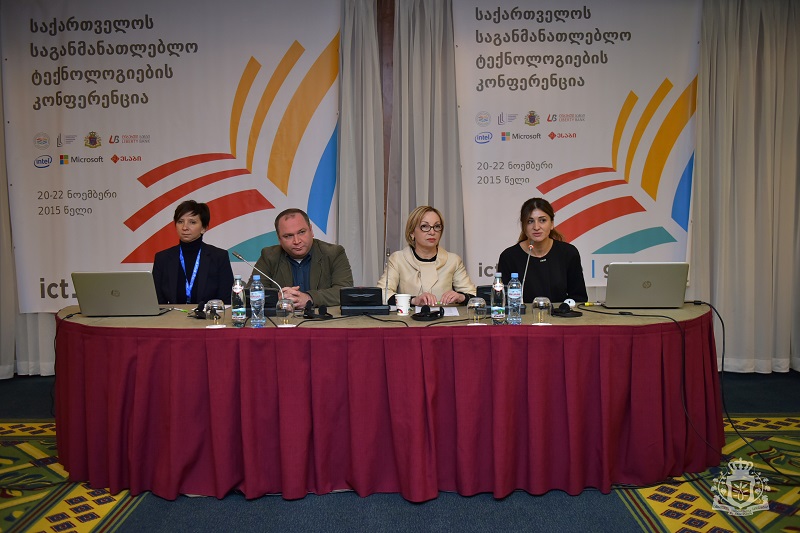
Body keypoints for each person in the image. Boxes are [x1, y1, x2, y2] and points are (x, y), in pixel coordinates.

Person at [251, 208, 353, 308]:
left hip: (321, 317)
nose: (297, 241)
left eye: (301, 232)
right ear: (279, 239)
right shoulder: (269, 256)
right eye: (288, 236)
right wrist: (277, 298)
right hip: (284, 318)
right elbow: (251, 294)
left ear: (311, 230)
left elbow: (344, 292)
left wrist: (309, 298)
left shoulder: (334, 253)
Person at [378, 206, 477, 306]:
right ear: (412, 232)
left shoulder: (453, 260)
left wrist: (461, 297)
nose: (432, 232)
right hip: (409, 316)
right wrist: (413, 300)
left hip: (445, 316)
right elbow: (382, 293)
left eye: (437, 226)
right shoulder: (398, 259)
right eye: (424, 226)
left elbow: (474, 296)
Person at [497, 197, 588, 304]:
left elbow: (579, 299)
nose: (536, 227)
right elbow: (502, 302)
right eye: (530, 221)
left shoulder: (568, 253)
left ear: (552, 224)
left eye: (542, 220)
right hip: (522, 315)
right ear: (523, 226)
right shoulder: (509, 257)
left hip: (560, 314)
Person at [153, 200, 234, 305]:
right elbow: (156, 303)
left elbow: (225, 301)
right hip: (172, 315)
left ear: (204, 228)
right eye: (180, 221)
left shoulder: (219, 257)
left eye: (192, 222)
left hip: (208, 315)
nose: (184, 227)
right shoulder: (162, 258)